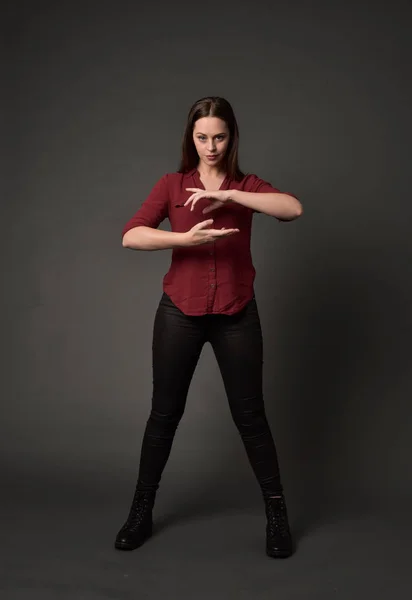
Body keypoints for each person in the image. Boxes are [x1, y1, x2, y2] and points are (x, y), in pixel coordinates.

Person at [115, 96, 303, 559]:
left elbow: (292, 209)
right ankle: (141, 510)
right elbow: (131, 234)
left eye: (219, 136)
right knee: (164, 414)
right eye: (202, 137)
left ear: (231, 137)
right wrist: (184, 239)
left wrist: (232, 196)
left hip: (237, 313)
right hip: (180, 311)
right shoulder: (172, 184)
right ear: (191, 138)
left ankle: (277, 515)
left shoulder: (247, 186)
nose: (211, 146)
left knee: (251, 417)